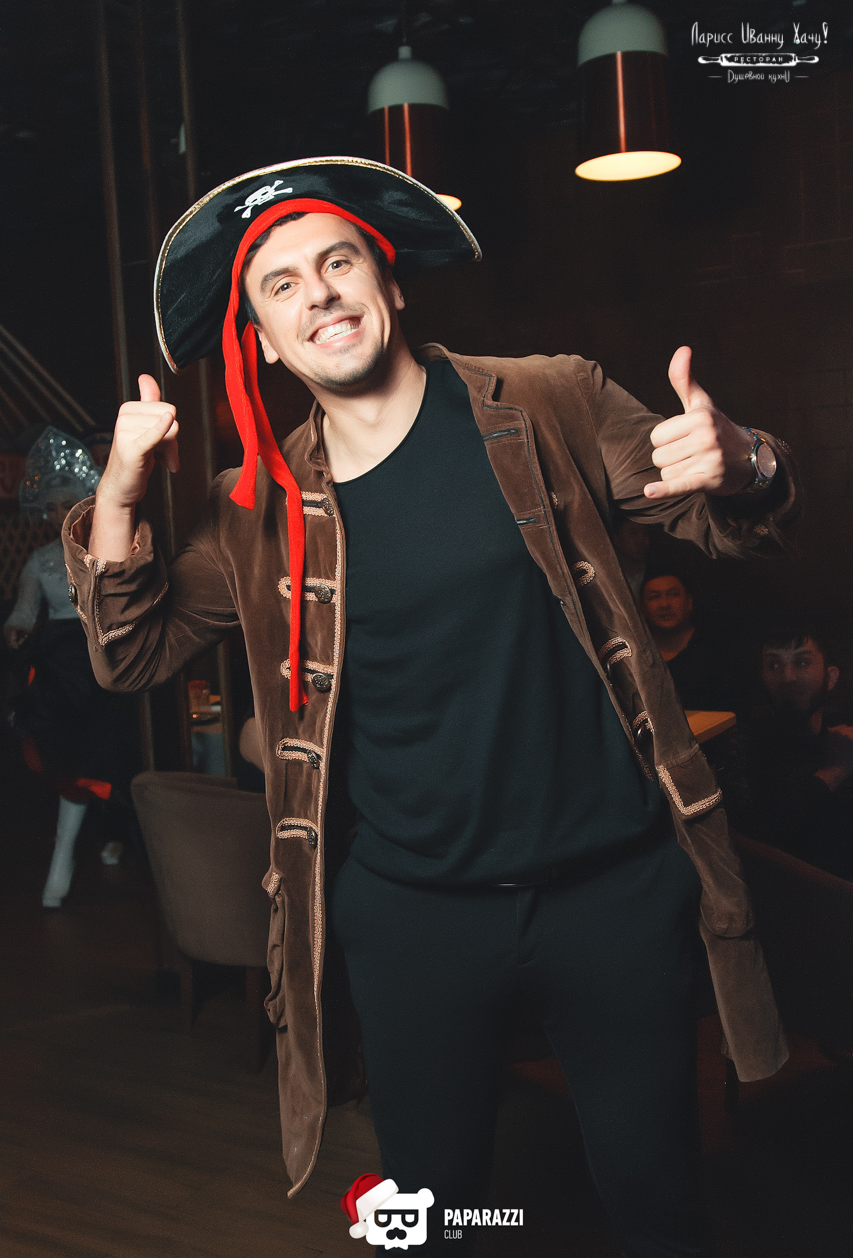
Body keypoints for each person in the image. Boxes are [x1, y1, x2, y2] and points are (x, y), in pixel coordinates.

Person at [62, 159, 800, 1257]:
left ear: (391, 282)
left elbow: (723, 516)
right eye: (280, 285)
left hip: (610, 890)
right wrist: (120, 493)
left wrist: (744, 462)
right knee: (437, 1209)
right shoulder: (255, 510)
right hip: (415, 916)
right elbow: (130, 655)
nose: (318, 294)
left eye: (338, 262)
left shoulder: (548, 400)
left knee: (654, 1197)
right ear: (264, 341)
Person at [5, 428, 131, 905]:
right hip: (61, 662)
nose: (60, 514)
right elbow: (23, 611)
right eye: (53, 507)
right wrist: (16, 630)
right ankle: (65, 852)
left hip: (104, 654)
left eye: (68, 505)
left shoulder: (104, 551)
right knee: (64, 748)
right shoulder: (39, 562)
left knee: (108, 747)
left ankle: (111, 832)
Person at [722, 628, 853, 879]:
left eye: (802, 663)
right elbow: (760, 833)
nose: (788, 677)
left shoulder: (842, 730)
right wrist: (833, 773)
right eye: (774, 665)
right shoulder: (746, 742)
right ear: (762, 676)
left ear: (830, 677)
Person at [641, 570, 739, 711]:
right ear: (642, 608)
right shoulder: (636, 655)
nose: (664, 604)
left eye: (674, 594)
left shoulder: (718, 651)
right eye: (654, 597)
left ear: (689, 601)